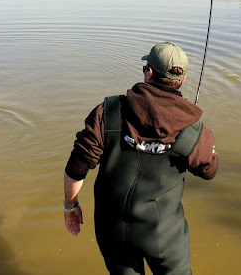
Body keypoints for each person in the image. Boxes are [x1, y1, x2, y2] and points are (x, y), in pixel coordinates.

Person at [63, 42, 218, 274]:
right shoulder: (193, 130)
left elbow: (77, 166)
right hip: (165, 236)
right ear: (183, 80)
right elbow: (209, 171)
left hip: (112, 231)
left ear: (150, 72)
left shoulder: (108, 111)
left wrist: (70, 206)